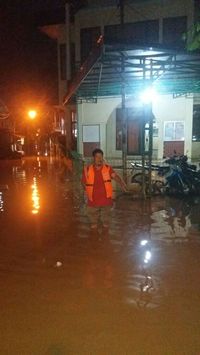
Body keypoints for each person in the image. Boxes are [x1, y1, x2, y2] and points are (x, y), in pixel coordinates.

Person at [82, 148, 127, 235]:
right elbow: (83, 183)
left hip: (106, 201)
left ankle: (105, 244)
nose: (99, 159)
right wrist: (88, 193)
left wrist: (122, 184)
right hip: (92, 202)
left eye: (101, 157)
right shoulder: (87, 170)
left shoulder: (107, 169)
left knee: (106, 225)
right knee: (93, 225)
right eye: (97, 157)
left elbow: (115, 176)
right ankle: (95, 245)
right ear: (93, 158)